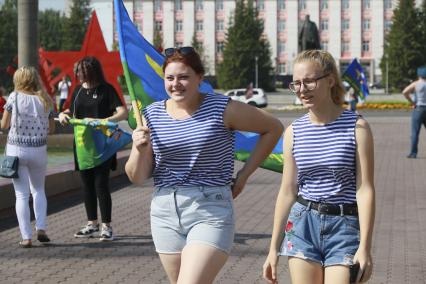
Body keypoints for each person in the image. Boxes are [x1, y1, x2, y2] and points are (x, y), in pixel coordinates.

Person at [125, 46, 283, 284]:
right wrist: (138, 149)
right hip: (164, 212)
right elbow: (136, 177)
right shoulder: (150, 115)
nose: (176, 84)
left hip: (210, 210)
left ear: (199, 78)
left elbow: (273, 128)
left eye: (183, 77)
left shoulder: (222, 108)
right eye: (170, 78)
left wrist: (244, 175)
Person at [263, 50, 375, 284]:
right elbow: (287, 190)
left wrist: (365, 247)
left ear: (330, 80)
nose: (302, 89)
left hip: (344, 227)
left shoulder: (357, 127)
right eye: (297, 83)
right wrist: (273, 249)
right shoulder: (293, 132)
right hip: (303, 225)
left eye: (310, 81)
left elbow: (364, 189)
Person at [58, 56, 128, 241]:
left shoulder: (107, 89)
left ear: (91, 71)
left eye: (80, 71)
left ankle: (107, 226)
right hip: (82, 146)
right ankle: (92, 224)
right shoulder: (78, 91)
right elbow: (69, 111)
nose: (78, 74)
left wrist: (105, 121)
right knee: (87, 186)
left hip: (102, 145)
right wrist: (63, 115)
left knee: (101, 185)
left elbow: (122, 112)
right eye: (77, 71)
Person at [0, 66, 55, 248]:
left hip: (17, 151)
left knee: (21, 195)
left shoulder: (14, 98)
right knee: (38, 190)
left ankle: (26, 237)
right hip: (38, 150)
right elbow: (51, 129)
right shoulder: (45, 99)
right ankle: (41, 228)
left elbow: (5, 124)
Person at [402, 66, 426, 159]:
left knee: (415, 132)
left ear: (419, 74)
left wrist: (412, 102)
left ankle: (413, 153)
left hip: (418, 109)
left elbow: (404, 92)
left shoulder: (416, 84)